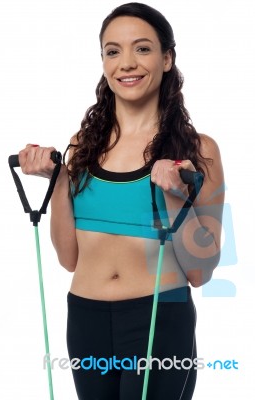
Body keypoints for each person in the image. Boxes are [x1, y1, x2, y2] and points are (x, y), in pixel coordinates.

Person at [18, 2, 224, 399]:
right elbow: (69, 259)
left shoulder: (200, 151)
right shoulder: (83, 146)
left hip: (158, 320)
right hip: (85, 317)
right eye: (113, 51)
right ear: (103, 61)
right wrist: (59, 178)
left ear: (167, 59)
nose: (126, 63)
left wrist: (176, 196)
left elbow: (202, 272)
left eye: (142, 49)